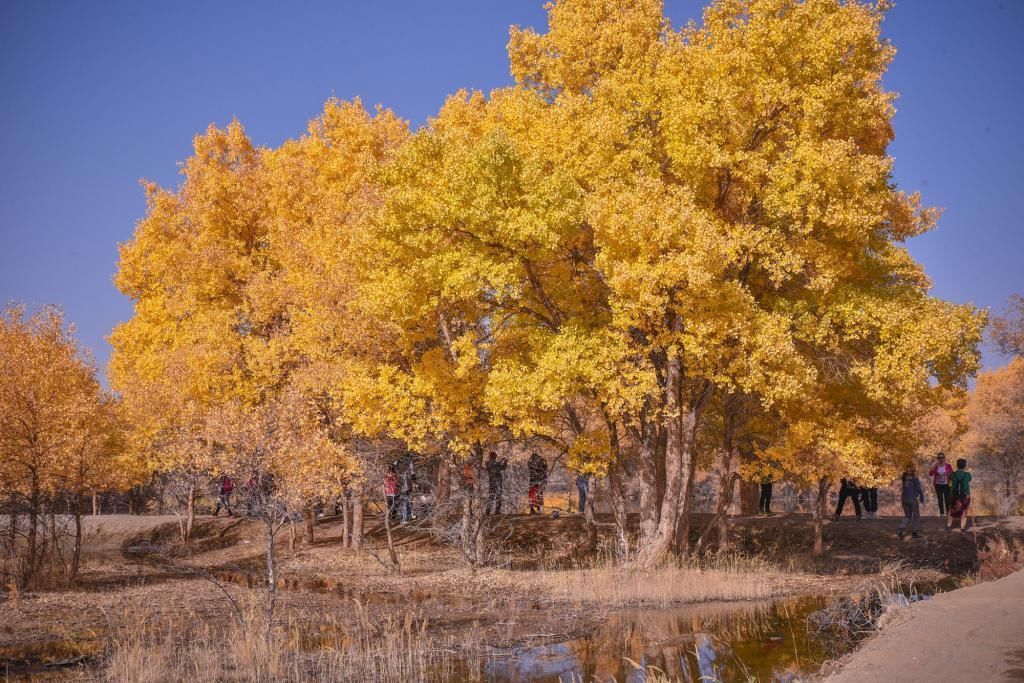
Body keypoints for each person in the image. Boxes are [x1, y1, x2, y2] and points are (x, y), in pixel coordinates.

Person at [897, 464, 926, 539]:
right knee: (916, 516)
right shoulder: (914, 477)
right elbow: (919, 488)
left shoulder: (904, 477)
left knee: (908, 516)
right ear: (913, 469)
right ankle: (914, 533)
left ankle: (901, 529)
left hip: (904, 498)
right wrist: (922, 496)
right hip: (912, 498)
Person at [947, 458, 973, 532]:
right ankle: (962, 528)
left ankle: (949, 526)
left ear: (957, 465)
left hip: (954, 495)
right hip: (965, 496)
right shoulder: (968, 474)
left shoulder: (952, 474)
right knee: (964, 510)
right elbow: (969, 480)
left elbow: (949, 484)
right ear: (965, 465)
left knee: (951, 509)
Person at [929, 452, 953, 517]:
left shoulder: (948, 466)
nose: (941, 459)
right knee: (940, 499)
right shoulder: (936, 466)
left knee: (947, 499)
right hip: (938, 485)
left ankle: (948, 513)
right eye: (939, 458)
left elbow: (952, 476)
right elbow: (930, 474)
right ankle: (942, 513)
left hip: (946, 485)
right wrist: (933, 467)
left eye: (942, 457)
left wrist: (951, 485)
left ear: (944, 458)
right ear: (938, 459)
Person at [398, 458, 417, 523]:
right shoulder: (409, 470)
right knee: (408, 503)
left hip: (405, 490)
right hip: (408, 489)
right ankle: (410, 515)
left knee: (405, 504)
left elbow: (413, 478)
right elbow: (414, 478)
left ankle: (405, 519)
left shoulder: (405, 471)